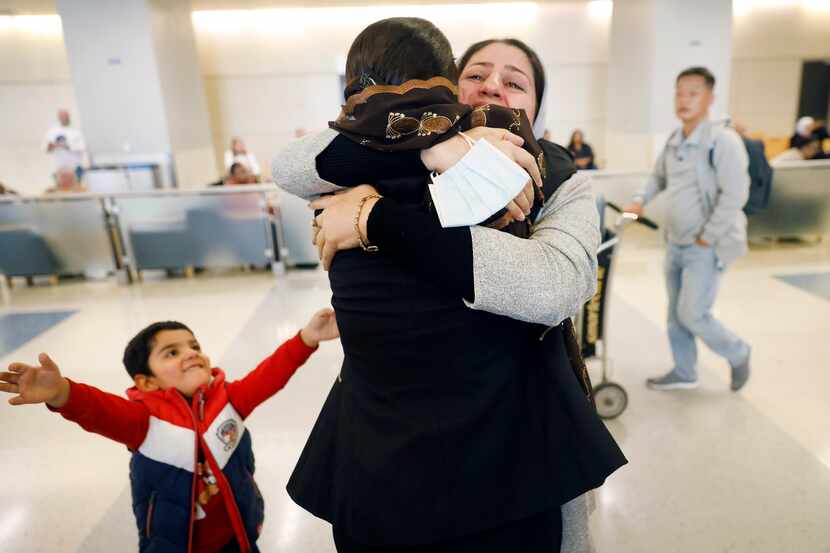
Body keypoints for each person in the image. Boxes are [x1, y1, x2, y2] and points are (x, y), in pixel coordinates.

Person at [273, 20, 625, 553]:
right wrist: (428, 149)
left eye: (516, 81)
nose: (492, 87)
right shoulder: (379, 145)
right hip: (385, 437)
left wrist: (374, 219)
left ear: (536, 108)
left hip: (509, 443)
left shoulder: (555, 177)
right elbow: (290, 164)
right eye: (476, 73)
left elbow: (555, 285)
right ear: (443, 87)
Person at [0, 309, 339, 553]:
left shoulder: (229, 401)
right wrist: (61, 392)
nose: (191, 353)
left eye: (194, 345)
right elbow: (97, 410)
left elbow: (270, 375)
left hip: (238, 534)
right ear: (146, 382)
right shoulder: (142, 421)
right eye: (172, 352)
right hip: (173, 544)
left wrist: (306, 339)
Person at [624, 66, 752, 392]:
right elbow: (658, 177)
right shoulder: (675, 140)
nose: (684, 99)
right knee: (675, 315)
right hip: (675, 241)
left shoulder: (722, 141)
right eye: (679, 92)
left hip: (705, 245)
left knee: (693, 314)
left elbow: (736, 193)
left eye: (693, 92)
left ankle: (738, 353)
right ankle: (684, 371)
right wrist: (640, 200)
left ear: (710, 98)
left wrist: (708, 236)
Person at [43, 109, 89, 180]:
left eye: (66, 116)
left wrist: (66, 146)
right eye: (62, 117)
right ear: (59, 118)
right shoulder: (52, 132)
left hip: (75, 168)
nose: (64, 118)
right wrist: (52, 146)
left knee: (77, 189)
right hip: (59, 169)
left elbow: (82, 147)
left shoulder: (76, 132)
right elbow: (46, 149)